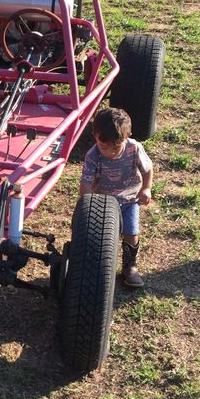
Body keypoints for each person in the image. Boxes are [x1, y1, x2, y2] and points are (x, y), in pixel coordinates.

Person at [79, 107, 153, 287]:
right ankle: (94, 266)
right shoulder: (93, 155)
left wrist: (146, 188)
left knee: (131, 232)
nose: (109, 152)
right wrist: (88, 204)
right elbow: (87, 183)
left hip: (129, 200)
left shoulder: (134, 148)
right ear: (95, 135)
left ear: (127, 137)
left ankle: (130, 267)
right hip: (103, 203)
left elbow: (147, 169)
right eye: (104, 146)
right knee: (97, 236)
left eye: (115, 147)